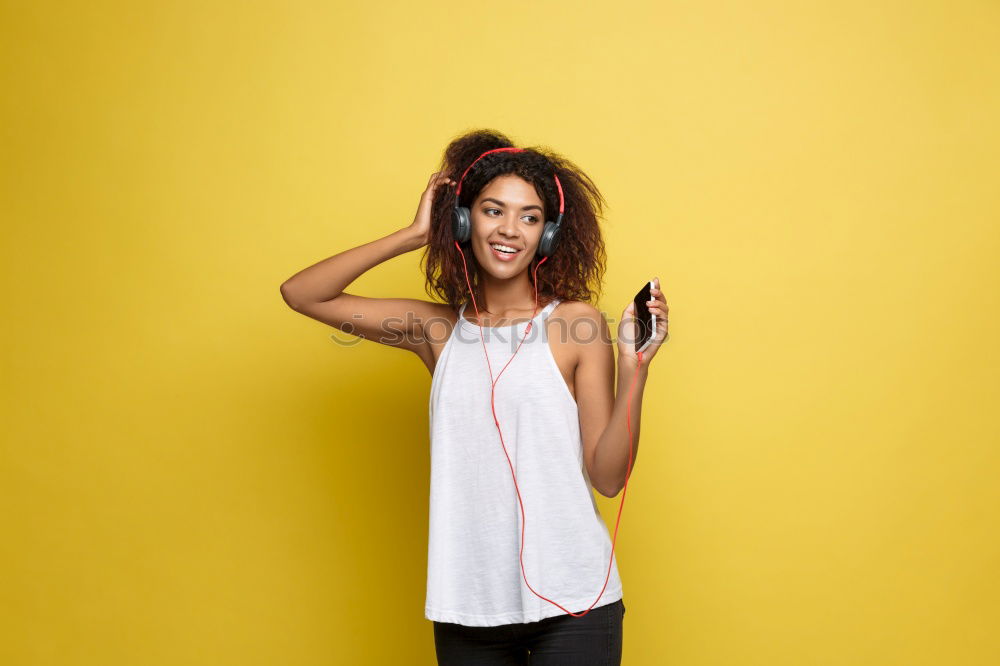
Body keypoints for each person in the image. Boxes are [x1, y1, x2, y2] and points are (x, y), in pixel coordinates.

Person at [280, 129, 669, 665]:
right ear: (463, 221)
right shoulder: (433, 329)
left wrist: (635, 367)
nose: (510, 230)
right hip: (469, 606)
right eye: (492, 211)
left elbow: (607, 478)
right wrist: (415, 233)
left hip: (576, 602)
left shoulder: (575, 326)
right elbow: (302, 293)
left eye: (530, 217)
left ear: (548, 235)